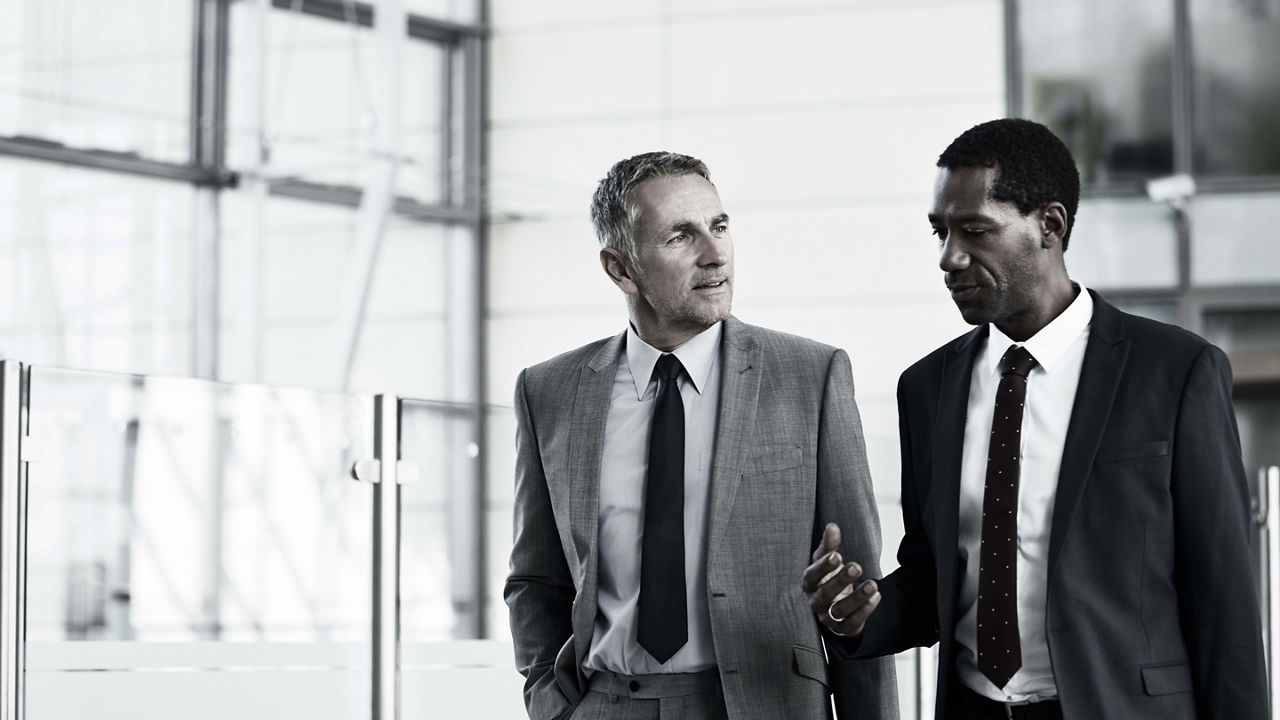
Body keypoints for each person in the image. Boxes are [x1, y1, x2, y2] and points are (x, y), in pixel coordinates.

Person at [802, 118, 1267, 719]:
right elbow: (931, 579)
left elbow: (1223, 601)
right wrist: (859, 614)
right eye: (941, 232)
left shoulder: (1176, 372)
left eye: (975, 231)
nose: (949, 257)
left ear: (1050, 225)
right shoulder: (927, 388)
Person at [506, 151, 898, 720]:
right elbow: (535, 577)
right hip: (605, 704)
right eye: (679, 236)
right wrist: (550, 700)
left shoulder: (810, 376)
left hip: (763, 705)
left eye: (719, 226)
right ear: (620, 269)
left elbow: (857, 587)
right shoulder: (549, 391)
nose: (715, 255)